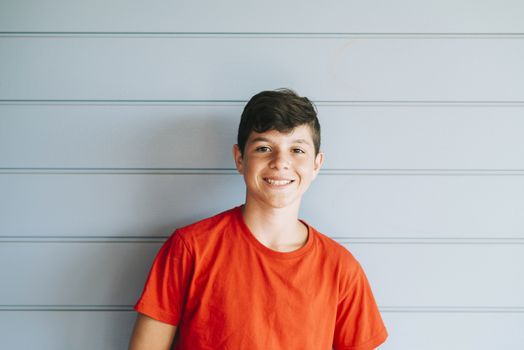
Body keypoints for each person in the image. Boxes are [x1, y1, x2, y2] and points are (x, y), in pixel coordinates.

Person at [128, 89, 388, 350]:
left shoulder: (341, 269)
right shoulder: (190, 248)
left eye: (297, 150)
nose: (280, 162)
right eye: (264, 148)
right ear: (240, 158)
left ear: (316, 165)